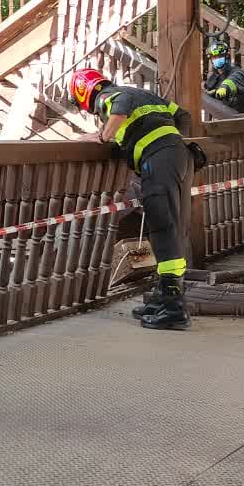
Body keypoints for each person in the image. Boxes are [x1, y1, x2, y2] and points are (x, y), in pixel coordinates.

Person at [69, 68, 196, 330]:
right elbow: (183, 116)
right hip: (178, 156)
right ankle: (164, 297)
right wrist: (173, 141)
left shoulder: (111, 96)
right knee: (169, 226)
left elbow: (121, 104)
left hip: (159, 160)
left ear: (84, 93)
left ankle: (173, 308)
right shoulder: (146, 95)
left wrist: (102, 136)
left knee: (163, 226)